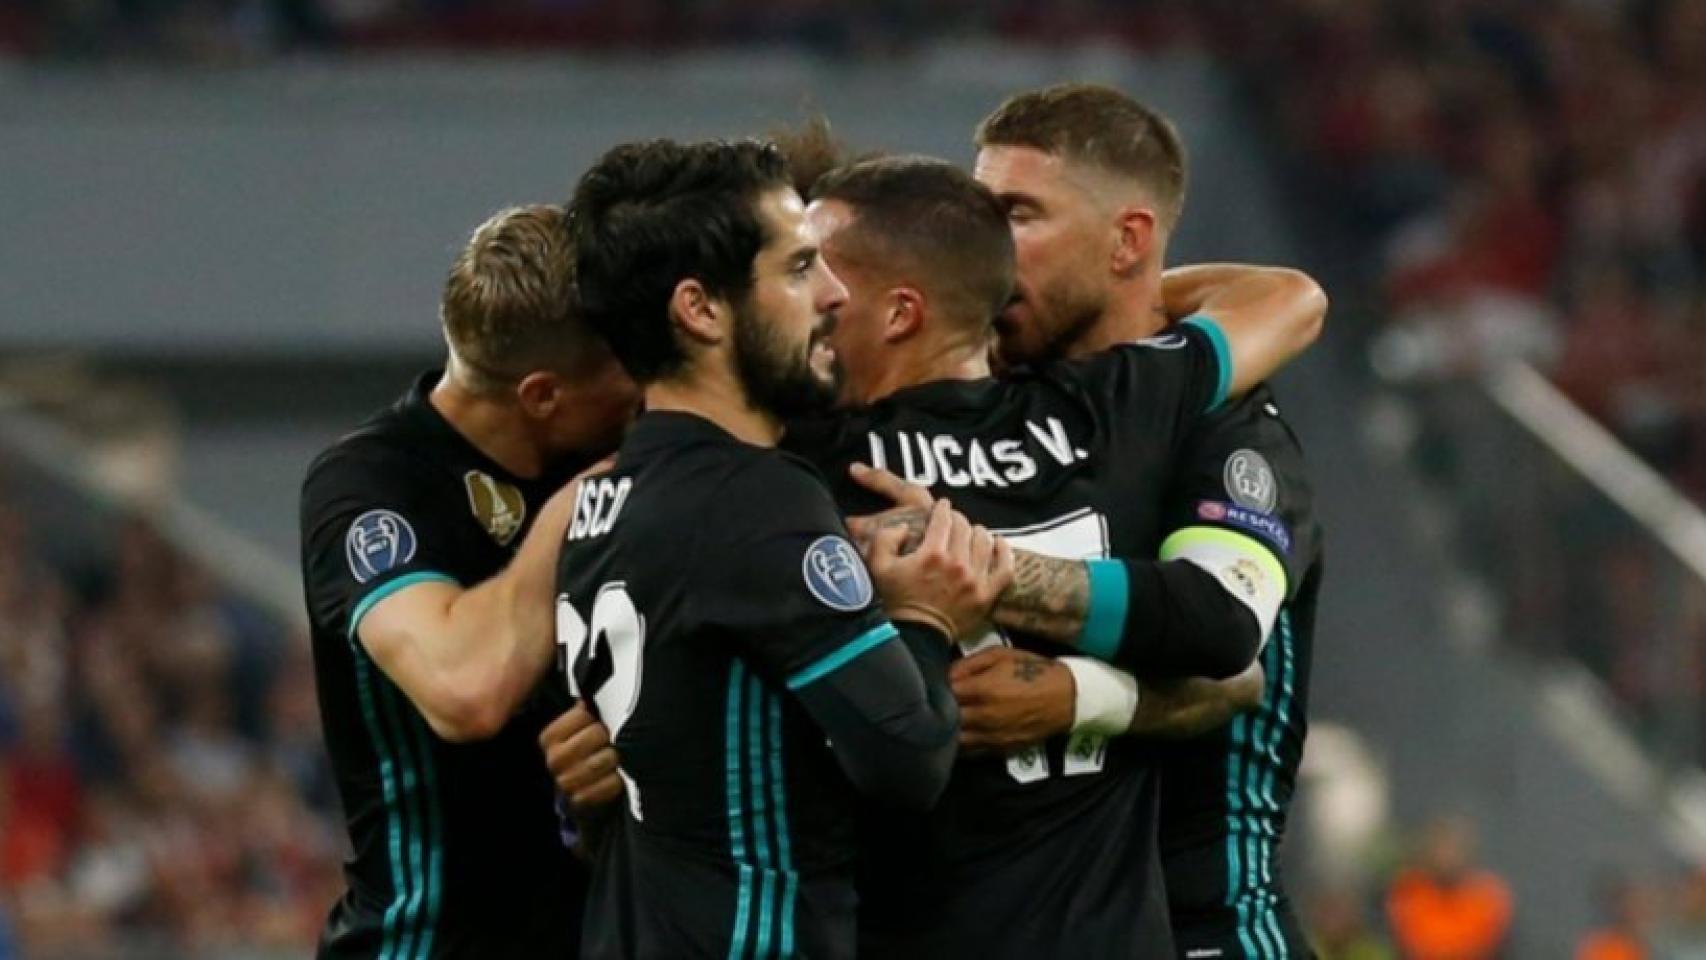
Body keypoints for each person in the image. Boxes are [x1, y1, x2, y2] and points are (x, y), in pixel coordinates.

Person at [546, 142, 1323, 957]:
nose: (825, 297)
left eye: (826, 272)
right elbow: (1232, 664)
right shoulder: (1118, 411)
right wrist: (1088, 694)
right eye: (802, 272)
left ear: (900, 312)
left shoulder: (799, 472)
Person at [556, 137, 1013, 960]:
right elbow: (907, 755)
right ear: (700, 310)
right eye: (800, 269)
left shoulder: (599, 502)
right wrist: (924, 614)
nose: (835, 294)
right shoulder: (757, 499)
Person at [959, 83, 1328, 958]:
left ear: (1127, 240)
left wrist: (1074, 688)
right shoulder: (986, 415)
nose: (983, 248)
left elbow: (1220, 631)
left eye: (1017, 214)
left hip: (1204, 925)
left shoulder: (1226, 427)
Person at [299, 204, 637, 959]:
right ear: (543, 394)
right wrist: (580, 507)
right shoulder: (370, 486)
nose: (646, 390)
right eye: (627, 368)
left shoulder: (600, 450)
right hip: (428, 941)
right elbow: (464, 688)